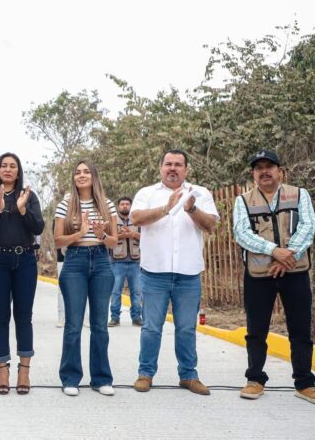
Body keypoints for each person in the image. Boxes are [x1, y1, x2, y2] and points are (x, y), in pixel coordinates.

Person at [233, 150, 315, 406]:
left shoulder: (299, 195)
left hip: (295, 272)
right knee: (256, 330)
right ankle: (255, 379)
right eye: (258, 168)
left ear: (280, 170)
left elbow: (308, 226)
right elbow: (242, 234)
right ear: (253, 174)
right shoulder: (243, 201)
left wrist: (287, 255)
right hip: (258, 274)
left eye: (269, 166)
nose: (264, 171)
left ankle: (305, 383)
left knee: (300, 329)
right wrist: (274, 251)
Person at [130, 149, 218, 396]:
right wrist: (166, 208)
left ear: (186, 169)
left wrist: (190, 209)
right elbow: (136, 218)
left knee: (187, 328)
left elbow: (211, 225)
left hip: (188, 273)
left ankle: (188, 375)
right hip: (154, 273)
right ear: (160, 168)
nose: (173, 168)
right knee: (151, 328)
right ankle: (145, 374)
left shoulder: (200, 193)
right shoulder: (147, 193)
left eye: (178, 164)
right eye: (168, 164)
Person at [0, 152, 44, 395]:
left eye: (13, 166)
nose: (8, 169)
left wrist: (23, 210)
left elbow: (38, 227)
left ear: (18, 171)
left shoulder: (29, 196)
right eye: (4, 165)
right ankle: (2, 369)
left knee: (24, 316)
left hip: (24, 259)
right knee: (0, 317)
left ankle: (24, 370)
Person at [54, 161, 118, 397]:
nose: (81, 175)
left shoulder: (107, 204)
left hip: (101, 261)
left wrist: (101, 234)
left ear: (94, 176)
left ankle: (101, 378)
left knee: (100, 325)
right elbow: (58, 241)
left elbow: (114, 242)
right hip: (74, 262)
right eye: (77, 172)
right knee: (73, 324)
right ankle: (70, 378)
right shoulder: (65, 205)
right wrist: (80, 233)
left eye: (86, 171)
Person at [108, 196, 143, 327]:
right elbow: (107, 240)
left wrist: (132, 234)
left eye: (127, 204)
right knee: (116, 291)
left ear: (131, 206)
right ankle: (114, 317)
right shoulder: (112, 221)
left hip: (135, 262)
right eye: (122, 204)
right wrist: (122, 235)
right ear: (118, 207)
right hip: (117, 262)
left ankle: (136, 317)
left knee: (137, 291)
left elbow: (145, 237)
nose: (125, 206)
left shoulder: (137, 220)